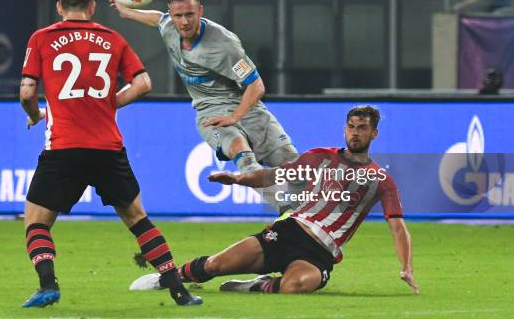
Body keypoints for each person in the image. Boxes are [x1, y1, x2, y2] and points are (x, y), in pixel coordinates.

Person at [19, 0, 202, 308]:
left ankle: (48, 285)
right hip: (108, 147)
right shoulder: (112, 39)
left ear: (59, 7)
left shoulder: (42, 38)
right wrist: (111, 102)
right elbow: (144, 83)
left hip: (64, 148)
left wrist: (34, 114)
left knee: (36, 221)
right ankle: (179, 290)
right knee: (137, 218)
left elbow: (27, 92)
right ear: (91, 8)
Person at [129, 106, 419, 296]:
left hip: (321, 253)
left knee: (295, 286)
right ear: (345, 129)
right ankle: (166, 278)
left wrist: (405, 266)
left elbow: (398, 229)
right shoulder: (321, 157)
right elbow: (272, 175)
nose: (356, 132)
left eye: (363, 128)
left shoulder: (381, 180)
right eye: (352, 126)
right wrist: (238, 178)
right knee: (216, 265)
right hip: (287, 232)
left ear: (374, 133)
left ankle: (256, 285)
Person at [110, 0, 299, 209]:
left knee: (296, 170)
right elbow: (157, 19)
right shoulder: (169, 26)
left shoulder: (224, 44)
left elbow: (256, 86)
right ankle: (285, 213)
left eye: (190, 14)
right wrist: (127, 12)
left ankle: (318, 216)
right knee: (242, 153)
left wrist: (236, 116)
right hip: (210, 112)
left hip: (247, 108)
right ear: (172, 14)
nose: (184, 21)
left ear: (200, 11)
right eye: (178, 15)